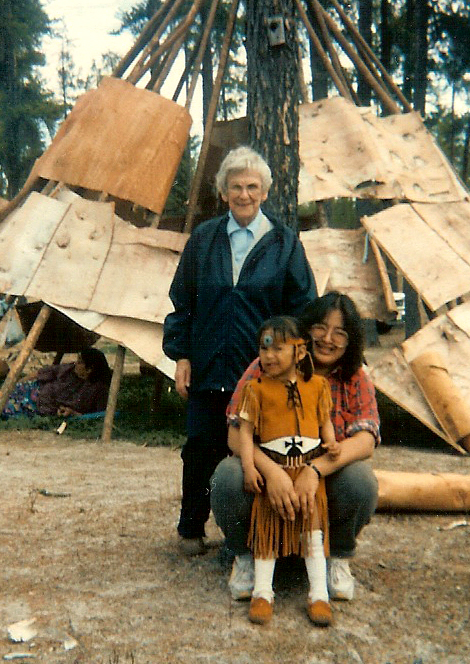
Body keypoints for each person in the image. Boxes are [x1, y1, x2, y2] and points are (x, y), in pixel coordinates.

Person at [163, 145, 317, 555]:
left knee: (257, 455)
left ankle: (252, 537)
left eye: (252, 187)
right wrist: (182, 356)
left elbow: (303, 309)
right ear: (224, 191)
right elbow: (183, 302)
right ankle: (191, 528)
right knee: (200, 449)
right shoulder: (203, 239)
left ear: (265, 192)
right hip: (209, 367)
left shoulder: (284, 244)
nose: (244, 195)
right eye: (236, 187)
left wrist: (288, 368)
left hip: (261, 373)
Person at [210, 291, 380, 607]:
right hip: (268, 478)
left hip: (320, 484)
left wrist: (315, 471)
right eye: (320, 327)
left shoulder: (355, 376)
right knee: (228, 475)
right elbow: (236, 436)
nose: (328, 339)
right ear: (305, 331)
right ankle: (246, 555)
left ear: (351, 340)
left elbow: (365, 440)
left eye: (340, 332)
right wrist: (271, 471)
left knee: (361, 480)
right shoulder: (266, 365)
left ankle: (337, 556)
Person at [236, 316, 339, 627]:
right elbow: (245, 431)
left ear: (300, 351)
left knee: (312, 529)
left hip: (306, 471)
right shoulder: (255, 389)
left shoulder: (318, 387)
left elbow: (324, 423)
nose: (268, 356)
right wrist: (249, 465)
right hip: (274, 473)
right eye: (263, 348)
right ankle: (262, 592)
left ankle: (319, 593)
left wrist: (331, 442)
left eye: (277, 348)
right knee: (267, 532)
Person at [0, 347, 112, 420]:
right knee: (1, 398)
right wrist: (14, 384)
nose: (76, 363)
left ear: (89, 369)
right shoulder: (69, 370)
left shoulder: (99, 390)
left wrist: (74, 414)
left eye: (80, 362)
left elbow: (99, 415)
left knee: (5, 409)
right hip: (34, 390)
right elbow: (42, 373)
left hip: (41, 406)